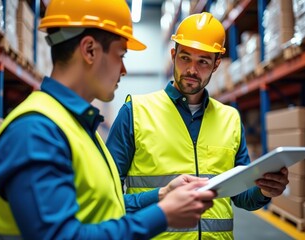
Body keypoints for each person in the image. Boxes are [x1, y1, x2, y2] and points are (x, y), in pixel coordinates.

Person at [0, 1, 217, 239]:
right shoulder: (35, 132)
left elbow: (107, 208)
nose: (124, 69)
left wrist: (162, 195)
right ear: (90, 50)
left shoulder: (79, 128)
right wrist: (163, 215)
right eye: (121, 55)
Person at [106, 12, 289, 240]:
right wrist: (160, 196)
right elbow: (107, 200)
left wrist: (264, 190)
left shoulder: (230, 118)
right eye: (185, 58)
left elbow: (242, 197)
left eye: (203, 61)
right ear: (173, 55)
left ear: (216, 64)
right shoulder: (135, 113)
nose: (192, 69)